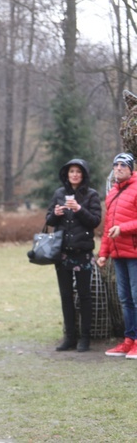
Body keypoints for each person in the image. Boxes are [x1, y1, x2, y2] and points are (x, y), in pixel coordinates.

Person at [44, 159, 101, 352]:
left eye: (78, 171)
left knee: (85, 296)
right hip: (62, 254)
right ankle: (70, 337)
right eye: (71, 171)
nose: (75, 174)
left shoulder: (91, 195)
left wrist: (78, 209)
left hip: (83, 253)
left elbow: (95, 221)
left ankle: (85, 338)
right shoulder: (59, 193)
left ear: (83, 174)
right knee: (66, 296)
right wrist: (57, 213)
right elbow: (49, 219)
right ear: (66, 175)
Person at [97, 152, 137, 358]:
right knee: (125, 299)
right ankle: (129, 340)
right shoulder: (112, 193)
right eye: (116, 165)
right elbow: (107, 228)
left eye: (123, 165)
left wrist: (123, 228)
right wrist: (103, 254)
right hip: (118, 254)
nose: (119, 168)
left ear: (131, 169)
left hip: (135, 253)